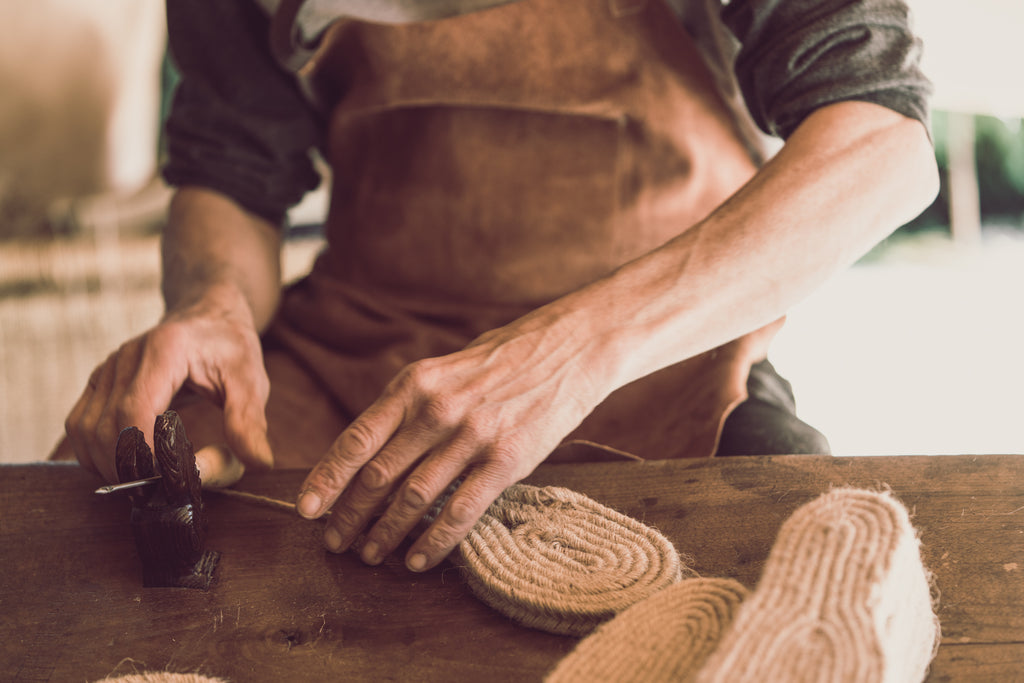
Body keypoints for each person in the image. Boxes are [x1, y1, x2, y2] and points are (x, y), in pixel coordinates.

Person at [58, 0, 938, 574]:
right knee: (86, 542)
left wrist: (564, 354)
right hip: (351, 361)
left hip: (660, 359)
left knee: (814, 565)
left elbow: (880, 148)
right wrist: (212, 301)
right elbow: (232, 175)